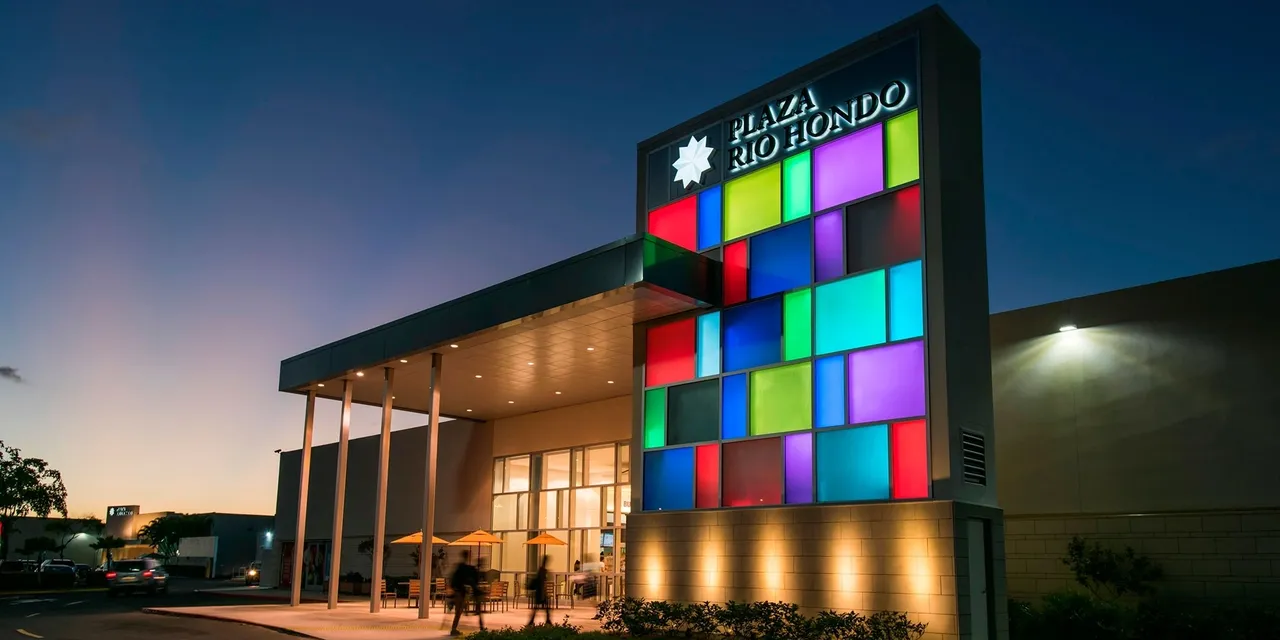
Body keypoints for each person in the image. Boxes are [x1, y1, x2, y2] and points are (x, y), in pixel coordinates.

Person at [449, 550, 484, 636]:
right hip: (460, 592)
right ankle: (481, 628)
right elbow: (470, 580)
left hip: (459, 591)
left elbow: (454, 580)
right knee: (459, 611)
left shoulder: (461, 567)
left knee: (459, 611)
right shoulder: (465, 568)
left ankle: (454, 629)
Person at [528, 555, 552, 626]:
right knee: (542, 608)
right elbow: (541, 582)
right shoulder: (543, 570)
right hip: (540, 593)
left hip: (540, 593)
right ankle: (546, 620)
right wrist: (543, 594)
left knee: (541, 608)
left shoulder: (541, 569)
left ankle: (532, 621)